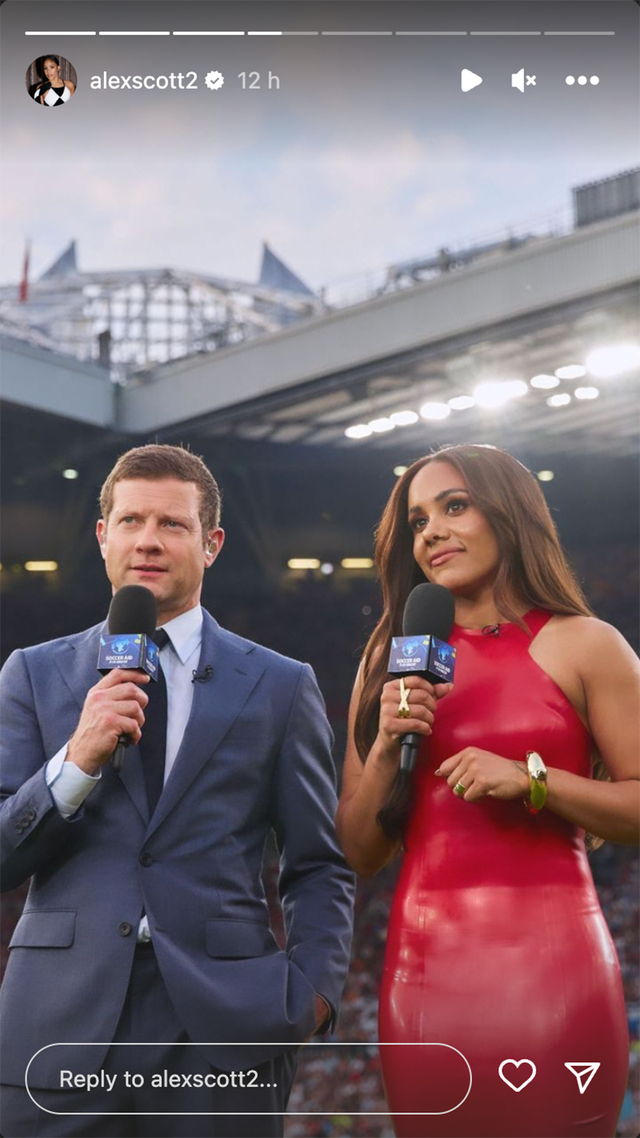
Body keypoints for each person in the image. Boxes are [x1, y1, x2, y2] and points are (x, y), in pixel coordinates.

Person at [0, 444, 354, 1138]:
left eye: (173, 524)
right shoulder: (32, 675)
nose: (149, 541)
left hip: (222, 1028)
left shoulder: (282, 684)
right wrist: (76, 761)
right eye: (131, 520)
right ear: (102, 535)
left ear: (212, 543)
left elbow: (318, 864)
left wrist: (311, 993)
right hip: (57, 1026)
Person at [337, 442, 638, 1138]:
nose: (432, 531)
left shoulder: (586, 644)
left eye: (454, 506)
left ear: (510, 515)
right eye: (417, 521)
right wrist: (387, 742)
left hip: (555, 972)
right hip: (422, 978)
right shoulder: (386, 661)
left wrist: (533, 779)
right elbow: (359, 850)